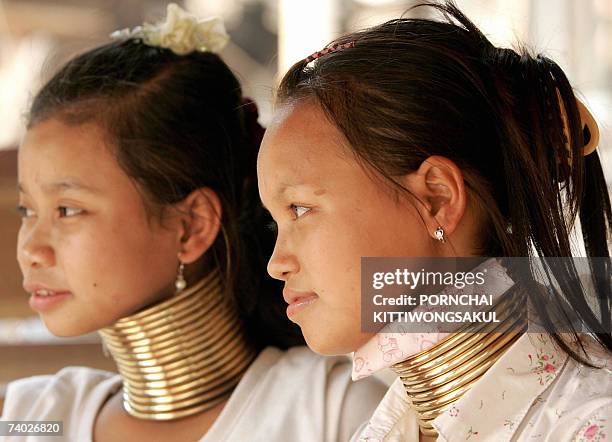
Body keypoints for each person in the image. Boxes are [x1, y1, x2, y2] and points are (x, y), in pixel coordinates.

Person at [1, 4, 386, 442]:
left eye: (67, 210)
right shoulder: (34, 415)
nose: (31, 248)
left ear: (192, 226)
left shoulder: (330, 411)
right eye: (26, 211)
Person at [257, 1, 612, 441]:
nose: (277, 263)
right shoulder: (386, 429)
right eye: (277, 222)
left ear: (437, 198)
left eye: (301, 209)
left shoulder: (592, 424)